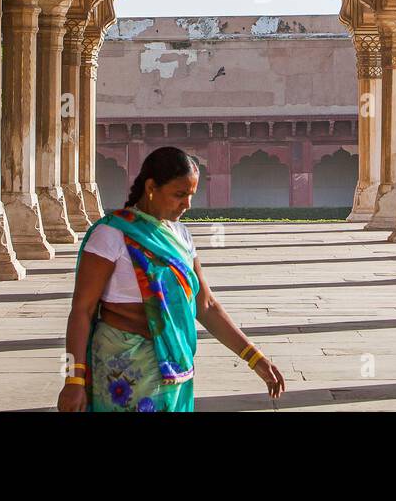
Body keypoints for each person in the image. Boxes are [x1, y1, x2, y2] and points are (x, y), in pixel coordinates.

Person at [57, 145, 286, 412]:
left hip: (175, 369)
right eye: (179, 194)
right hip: (123, 371)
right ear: (151, 187)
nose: (187, 204)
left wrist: (254, 358)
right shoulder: (110, 235)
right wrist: (74, 379)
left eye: (191, 195)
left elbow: (206, 305)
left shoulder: (181, 237)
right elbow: (81, 310)